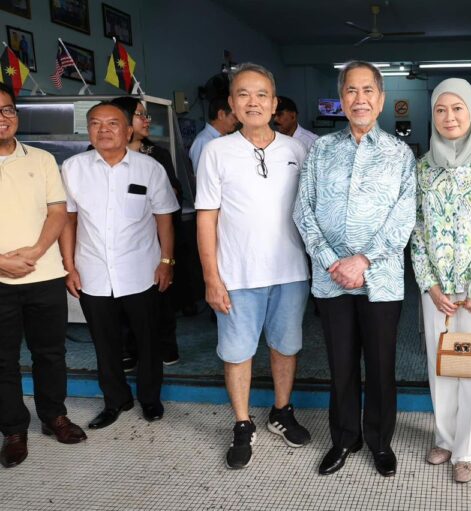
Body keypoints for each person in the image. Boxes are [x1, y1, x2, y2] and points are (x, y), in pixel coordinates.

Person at [294, 61, 416, 478]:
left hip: (381, 279)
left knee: (381, 366)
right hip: (332, 280)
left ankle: (380, 441)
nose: (359, 99)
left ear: (381, 100)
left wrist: (363, 260)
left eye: (368, 91)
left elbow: (404, 217)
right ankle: (345, 438)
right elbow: (303, 210)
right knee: (341, 364)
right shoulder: (321, 150)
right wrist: (333, 262)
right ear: (341, 99)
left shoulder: (400, 154)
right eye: (351, 90)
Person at [196, 63, 311, 470]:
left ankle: (281, 411)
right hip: (237, 275)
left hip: (291, 272)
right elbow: (206, 217)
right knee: (237, 351)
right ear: (231, 103)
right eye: (243, 94)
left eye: (262, 94)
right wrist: (211, 278)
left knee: (286, 347)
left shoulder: (296, 150)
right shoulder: (215, 151)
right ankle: (242, 423)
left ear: (275, 103)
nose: (253, 102)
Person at [410, 78, 471, 483]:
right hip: (437, 290)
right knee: (442, 364)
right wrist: (429, 285)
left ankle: (470, 450)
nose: (449, 117)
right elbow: (417, 230)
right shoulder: (423, 166)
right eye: (440, 110)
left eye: (457, 109)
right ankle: (446, 438)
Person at [59, 102, 179, 429]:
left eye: (113, 123)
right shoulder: (73, 168)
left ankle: (150, 399)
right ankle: (116, 399)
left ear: (127, 131)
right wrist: (69, 266)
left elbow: (164, 220)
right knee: (105, 342)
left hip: (141, 270)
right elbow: (68, 221)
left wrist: (166, 262)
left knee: (148, 339)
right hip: (93, 271)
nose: (104, 130)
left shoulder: (149, 168)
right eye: (96, 123)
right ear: (88, 130)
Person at [0, 83, 87, 469]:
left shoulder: (42, 159)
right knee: (2, 360)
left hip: (44, 275)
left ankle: (54, 416)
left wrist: (35, 253)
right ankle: (13, 429)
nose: (2, 118)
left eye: (7, 110)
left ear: (16, 115)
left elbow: (57, 212)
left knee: (50, 353)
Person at [110, 96, 183, 369]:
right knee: (120, 298)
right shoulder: (100, 153)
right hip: (117, 240)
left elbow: (173, 193)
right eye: (140, 114)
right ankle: (127, 349)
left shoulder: (157, 154)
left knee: (159, 293)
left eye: (146, 115)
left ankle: (164, 345)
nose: (146, 120)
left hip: (154, 235)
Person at [188, 96, 238, 173]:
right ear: (221, 114)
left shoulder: (229, 140)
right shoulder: (203, 140)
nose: (237, 121)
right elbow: (201, 175)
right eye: (235, 116)